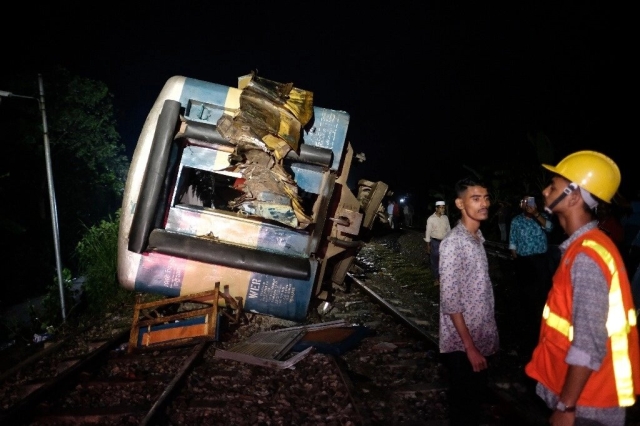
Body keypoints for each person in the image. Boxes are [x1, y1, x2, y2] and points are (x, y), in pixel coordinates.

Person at [525, 150, 640, 426]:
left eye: (553, 186)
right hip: (585, 398)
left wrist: (566, 406)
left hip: (587, 405)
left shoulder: (587, 256)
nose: (544, 190)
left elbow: (588, 344)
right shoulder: (585, 248)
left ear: (574, 197)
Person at [439, 177, 499, 426]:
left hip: (481, 335)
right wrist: (470, 347)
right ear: (460, 204)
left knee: (475, 402)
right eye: (476, 198)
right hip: (463, 344)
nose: (484, 203)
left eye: (485, 198)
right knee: (464, 408)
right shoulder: (454, 243)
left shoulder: (477, 239)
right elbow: (450, 301)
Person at [508, 194, 554, 361]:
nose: (529, 205)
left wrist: (536, 215)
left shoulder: (542, 217)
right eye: (526, 202)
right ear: (522, 204)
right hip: (524, 261)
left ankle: (542, 330)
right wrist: (513, 252)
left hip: (540, 261)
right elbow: (512, 238)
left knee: (541, 295)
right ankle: (526, 331)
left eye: (532, 202)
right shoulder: (516, 220)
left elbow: (549, 228)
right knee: (525, 296)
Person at [425, 200, 451, 285]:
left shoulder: (445, 218)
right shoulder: (431, 219)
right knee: (435, 261)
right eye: (441, 208)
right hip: (435, 243)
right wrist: (428, 245)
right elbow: (428, 232)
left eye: (443, 208)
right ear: (436, 208)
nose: (443, 209)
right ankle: (437, 278)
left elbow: (448, 230)